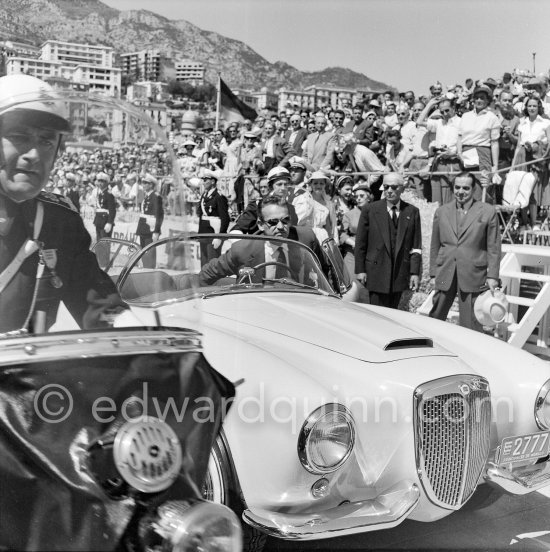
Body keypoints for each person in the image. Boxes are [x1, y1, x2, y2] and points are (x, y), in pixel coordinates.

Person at [0, 74, 123, 333]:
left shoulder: (61, 224)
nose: (33, 155)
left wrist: (142, 340)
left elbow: (101, 309)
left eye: (46, 141)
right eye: (19, 136)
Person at [429, 173, 501, 331]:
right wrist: (433, 273)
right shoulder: (441, 211)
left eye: (466, 188)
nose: (461, 191)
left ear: (474, 189)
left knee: (470, 324)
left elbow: (494, 247)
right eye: (457, 187)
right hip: (445, 271)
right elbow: (435, 244)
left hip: (473, 273)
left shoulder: (488, 212)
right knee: (435, 318)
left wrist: (493, 276)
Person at [198, 195, 320, 287]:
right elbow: (207, 274)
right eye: (273, 222)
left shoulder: (306, 239)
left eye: (285, 220)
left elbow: (327, 273)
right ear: (261, 225)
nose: (280, 227)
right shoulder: (242, 250)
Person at [354, 172, 422, 309]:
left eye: (394, 187)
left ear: (402, 188)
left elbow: (416, 246)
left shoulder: (412, 212)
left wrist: (414, 272)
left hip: (399, 274)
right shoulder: (370, 210)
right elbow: (361, 243)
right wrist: (360, 270)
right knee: (377, 316)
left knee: (394, 314)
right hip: (376, 272)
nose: (389, 191)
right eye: (386, 187)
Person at [457, 85, 501, 202]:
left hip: (482, 153)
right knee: (465, 185)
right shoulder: (466, 116)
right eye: (476, 98)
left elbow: (494, 143)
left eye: (482, 98)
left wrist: (495, 166)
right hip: (466, 154)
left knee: (481, 188)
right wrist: (459, 152)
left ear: (488, 100)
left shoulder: (492, 117)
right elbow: (460, 137)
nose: (479, 100)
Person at [198, 168, 230, 264]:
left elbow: (225, 218)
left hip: (213, 235)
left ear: (212, 181)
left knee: (212, 264)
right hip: (204, 233)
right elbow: (201, 215)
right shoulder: (204, 196)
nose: (203, 183)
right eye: (203, 180)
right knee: (203, 263)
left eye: (205, 180)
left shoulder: (219, 197)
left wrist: (219, 237)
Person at [135, 173, 164, 268]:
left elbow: (159, 215)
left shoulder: (156, 197)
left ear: (151, 185)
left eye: (145, 183)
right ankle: (145, 269)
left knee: (149, 251)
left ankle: (150, 269)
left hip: (150, 228)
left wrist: (156, 231)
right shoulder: (146, 196)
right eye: (143, 182)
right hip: (143, 227)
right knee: (143, 250)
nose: (143, 184)